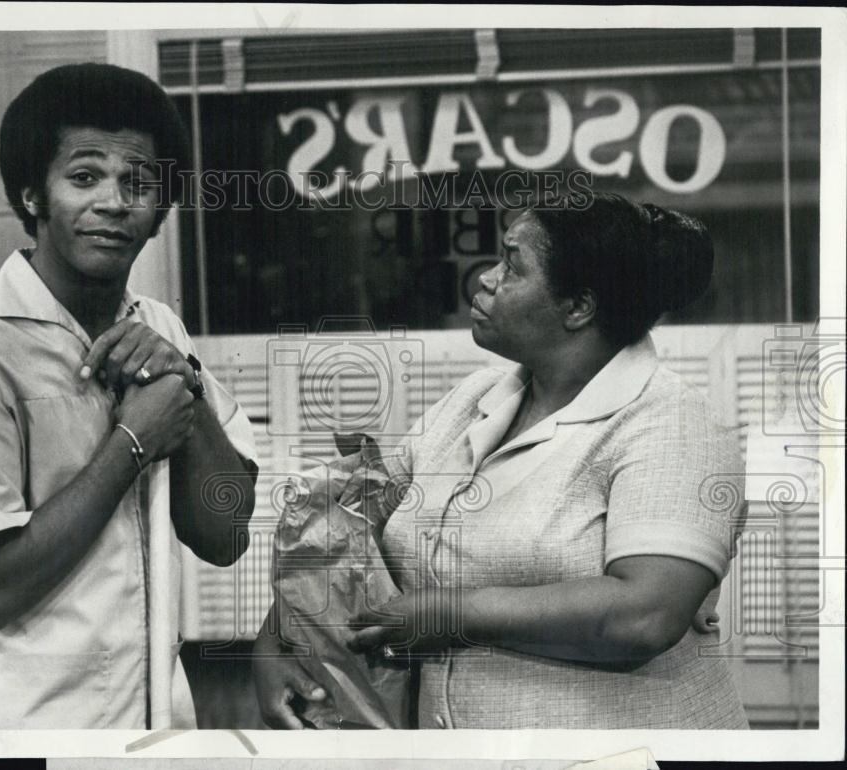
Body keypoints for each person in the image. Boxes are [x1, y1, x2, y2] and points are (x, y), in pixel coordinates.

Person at [253, 193, 748, 729]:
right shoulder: (473, 400)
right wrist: (279, 635)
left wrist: (452, 614)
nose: (486, 279)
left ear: (578, 307)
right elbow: (353, 524)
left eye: (512, 265)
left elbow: (647, 614)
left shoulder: (672, 421)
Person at [0, 63, 258, 729]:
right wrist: (134, 441)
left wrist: (183, 388)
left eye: (139, 182)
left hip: (156, 714)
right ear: (33, 194)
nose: (114, 201)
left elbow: (225, 534)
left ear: (160, 210)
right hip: (21, 722)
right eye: (85, 176)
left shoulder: (161, 327)